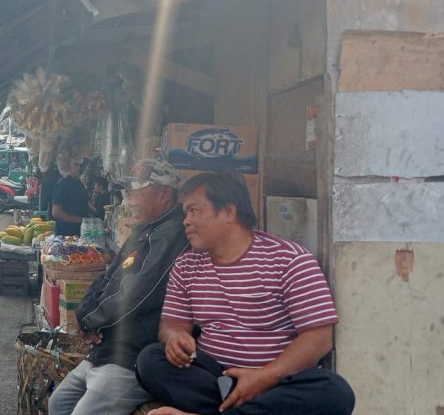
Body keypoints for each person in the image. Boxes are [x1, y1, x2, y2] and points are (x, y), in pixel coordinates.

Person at [136, 172, 355, 415]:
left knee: (334, 391)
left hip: (278, 381)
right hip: (214, 380)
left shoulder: (290, 260)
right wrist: (175, 337)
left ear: (229, 212)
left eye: (194, 210)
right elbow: (172, 324)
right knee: (150, 360)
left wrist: (264, 376)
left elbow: (319, 337)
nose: (186, 221)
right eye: (186, 212)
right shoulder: (186, 266)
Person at [49, 159, 190, 415]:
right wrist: (85, 314)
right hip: (107, 349)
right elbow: (107, 275)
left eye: (138, 190)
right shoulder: (145, 230)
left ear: (166, 193)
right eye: (128, 191)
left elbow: (137, 292)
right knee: (59, 402)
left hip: (132, 355)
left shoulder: (170, 234)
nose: (130, 198)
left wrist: (92, 320)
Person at [51, 158, 88, 236]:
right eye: (75, 165)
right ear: (67, 166)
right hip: (66, 234)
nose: (78, 168)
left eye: (80, 165)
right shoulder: (62, 185)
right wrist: (80, 220)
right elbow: (56, 212)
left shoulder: (79, 184)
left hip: (80, 232)